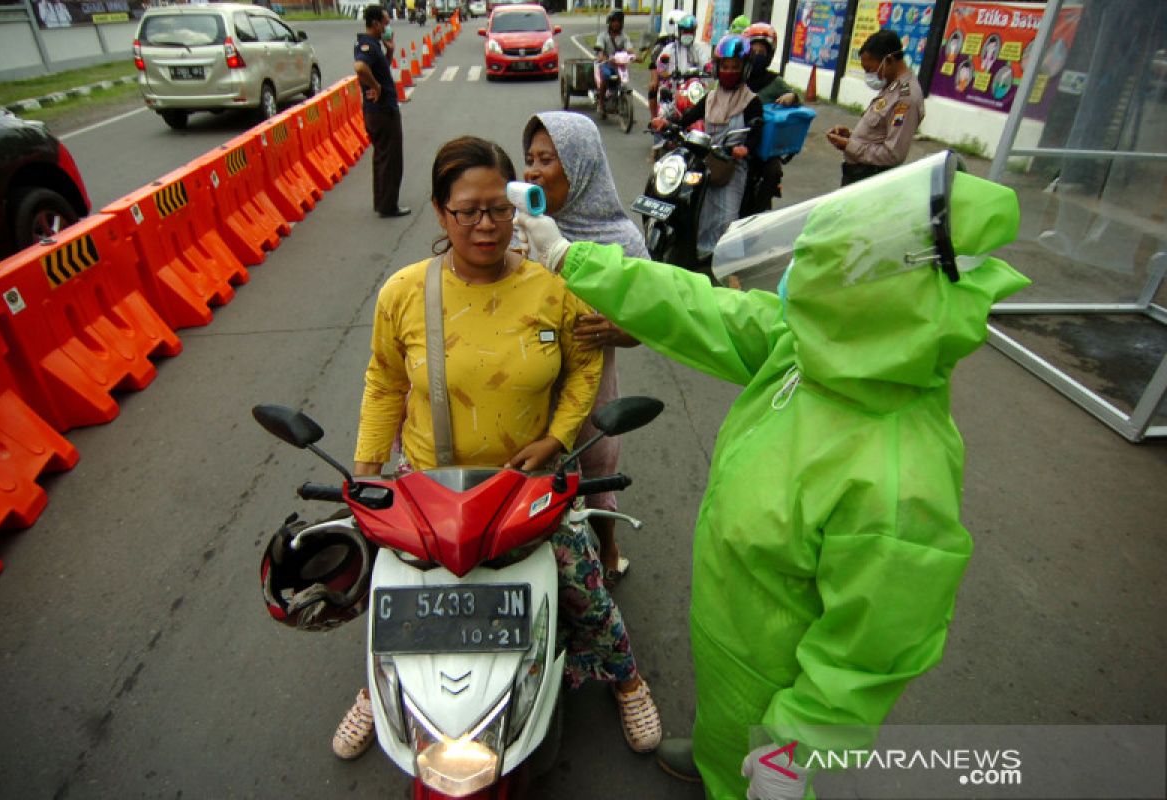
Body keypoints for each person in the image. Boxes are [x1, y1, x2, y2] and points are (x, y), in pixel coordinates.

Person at [515, 156, 1031, 800]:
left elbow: (867, 657)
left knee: (755, 771)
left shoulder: (902, 476)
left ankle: (744, 775)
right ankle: (714, 758)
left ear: (875, 301)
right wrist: (574, 261)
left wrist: (798, 754)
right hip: (732, 638)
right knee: (726, 737)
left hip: (779, 679)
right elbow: (696, 308)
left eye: (823, 275)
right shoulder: (818, 349)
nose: (795, 288)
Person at [331, 136, 662, 761]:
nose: (486, 225)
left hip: (527, 490)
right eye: (467, 211)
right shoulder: (402, 292)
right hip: (430, 489)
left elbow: (583, 367)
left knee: (584, 589)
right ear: (439, 212)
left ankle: (629, 681)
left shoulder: (551, 287)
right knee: (396, 597)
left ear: (518, 208)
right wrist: (368, 470)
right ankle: (379, 693)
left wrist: (557, 439)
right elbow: (385, 382)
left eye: (499, 209)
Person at [522, 111, 645, 585]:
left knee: (595, 471)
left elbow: (649, 324)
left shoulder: (623, 241)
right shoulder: (516, 230)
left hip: (593, 387)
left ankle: (608, 547)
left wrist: (616, 330)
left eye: (547, 159)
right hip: (528, 385)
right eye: (529, 158)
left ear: (581, 165)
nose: (531, 170)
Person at [651, 34, 763, 262]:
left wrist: (745, 149)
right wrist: (668, 124)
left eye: (735, 67)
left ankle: (729, 266)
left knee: (727, 216)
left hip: (732, 165)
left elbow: (756, 129)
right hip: (707, 161)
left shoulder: (751, 100)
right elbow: (688, 117)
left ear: (744, 69)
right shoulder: (710, 97)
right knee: (695, 206)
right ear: (718, 68)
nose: (729, 71)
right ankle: (697, 255)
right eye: (725, 66)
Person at [826, 29, 925, 186]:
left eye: (870, 70)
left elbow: (893, 154)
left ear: (889, 60)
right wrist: (850, 135)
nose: (870, 76)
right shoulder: (891, 86)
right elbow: (880, 132)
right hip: (858, 174)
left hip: (870, 179)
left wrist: (849, 145)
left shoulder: (905, 98)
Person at [355, 6, 410, 217]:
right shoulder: (367, 45)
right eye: (385, 23)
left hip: (376, 111)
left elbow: (380, 69)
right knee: (391, 159)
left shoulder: (372, 44)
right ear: (375, 23)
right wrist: (376, 87)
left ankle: (382, 201)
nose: (388, 28)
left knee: (382, 157)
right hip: (382, 111)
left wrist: (390, 50)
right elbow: (360, 67)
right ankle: (388, 206)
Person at [742, 22, 800, 216]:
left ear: (769, 54)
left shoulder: (775, 82)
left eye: (762, 51)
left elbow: (795, 98)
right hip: (736, 139)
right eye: (753, 50)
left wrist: (792, 98)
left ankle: (759, 214)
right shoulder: (737, 76)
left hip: (764, 146)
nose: (757, 55)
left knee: (773, 171)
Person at [649, 13, 704, 122]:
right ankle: (656, 124)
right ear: (679, 32)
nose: (688, 34)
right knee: (663, 116)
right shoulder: (669, 49)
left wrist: (709, 69)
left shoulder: (699, 50)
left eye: (691, 31)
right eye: (685, 31)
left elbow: (707, 64)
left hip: (693, 90)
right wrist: (668, 74)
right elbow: (660, 68)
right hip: (673, 89)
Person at [593, 10, 633, 118]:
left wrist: (634, 56)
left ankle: (620, 101)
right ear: (609, 22)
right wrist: (602, 56)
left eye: (619, 21)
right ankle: (601, 103)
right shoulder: (603, 36)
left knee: (623, 78)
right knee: (606, 75)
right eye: (614, 21)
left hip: (619, 65)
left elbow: (629, 49)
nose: (616, 23)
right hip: (605, 63)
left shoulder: (624, 37)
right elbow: (600, 50)